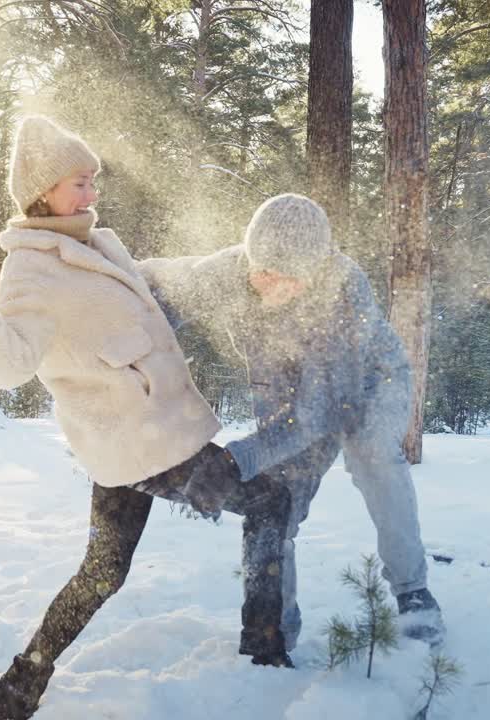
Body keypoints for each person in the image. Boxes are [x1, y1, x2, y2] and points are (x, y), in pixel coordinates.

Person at [0, 117, 293, 720]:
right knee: (271, 499)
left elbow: (152, 291)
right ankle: (265, 646)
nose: (91, 193)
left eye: (93, 180)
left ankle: (18, 687)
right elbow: (8, 362)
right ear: (42, 191)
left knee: (104, 572)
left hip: (126, 444)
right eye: (78, 183)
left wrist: (235, 267)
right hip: (150, 445)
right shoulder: (33, 270)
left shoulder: (95, 242)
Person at [138, 193, 445, 650]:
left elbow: (315, 415)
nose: (267, 282)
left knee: (375, 459)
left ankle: (413, 590)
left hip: (367, 384)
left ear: (312, 271)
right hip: (286, 393)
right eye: (261, 269)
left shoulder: (343, 293)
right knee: (279, 497)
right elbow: (157, 286)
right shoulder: (230, 271)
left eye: (284, 276)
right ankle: (275, 628)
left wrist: (232, 461)